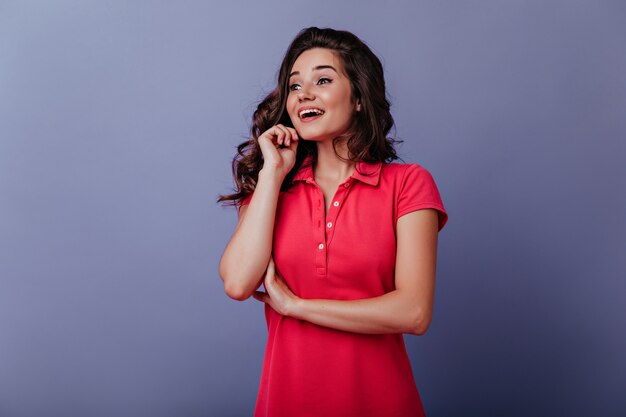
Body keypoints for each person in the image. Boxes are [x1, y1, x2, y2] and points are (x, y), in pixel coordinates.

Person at [218, 27, 448, 417]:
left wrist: (295, 306)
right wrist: (273, 173)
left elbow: (414, 312)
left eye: (323, 80)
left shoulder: (407, 184)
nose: (303, 94)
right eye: (294, 86)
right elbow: (239, 283)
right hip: (287, 404)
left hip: (381, 403)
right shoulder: (272, 191)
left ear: (358, 97)